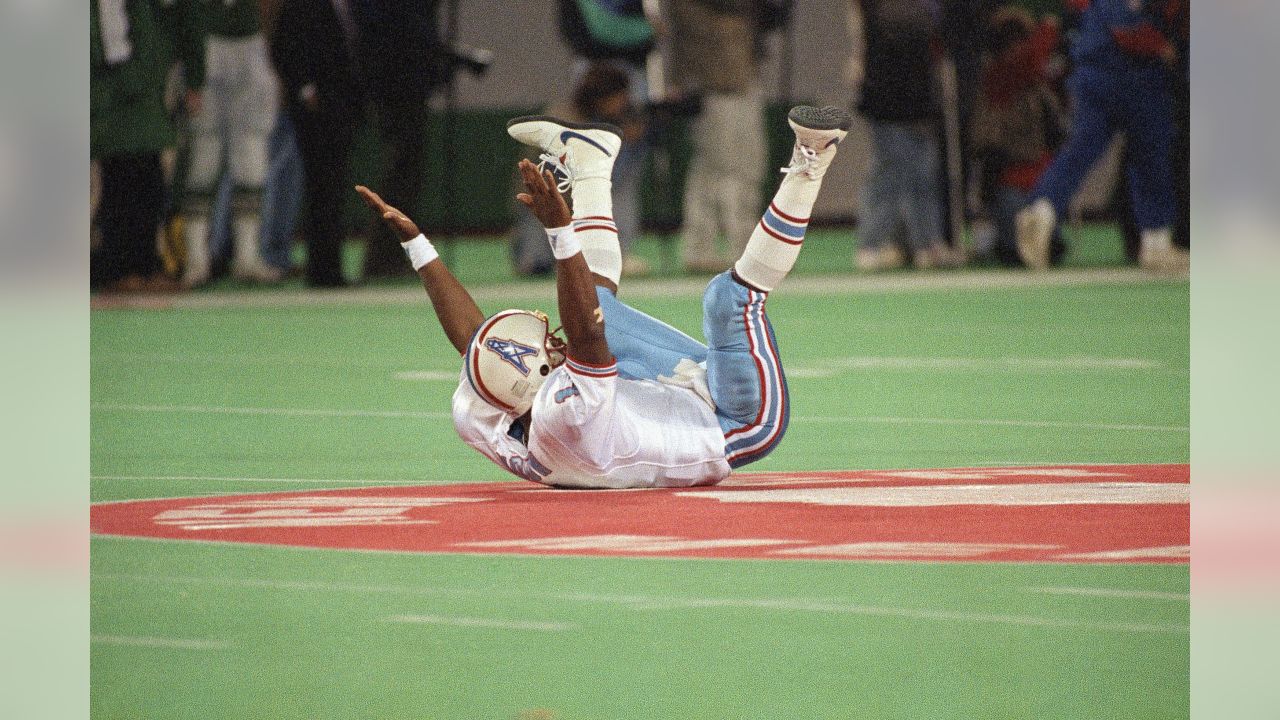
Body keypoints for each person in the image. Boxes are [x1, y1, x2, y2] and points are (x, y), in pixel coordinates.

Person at [355, 105, 850, 488]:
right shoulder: (569, 417)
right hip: (733, 420)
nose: (553, 338)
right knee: (725, 300)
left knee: (595, 306)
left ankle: (590, 160)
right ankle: (815, 157)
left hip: (663, 397)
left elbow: (475, 345)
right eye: (550, 350)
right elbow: (586, 329)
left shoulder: (486, 407)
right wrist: (559, 230)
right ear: (546, 380)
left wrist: (418, 246)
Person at [1015, 0, 1188, 273]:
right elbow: (1126, 23)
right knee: (1150, 157)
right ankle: (1156, 241)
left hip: (1097, 67)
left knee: (1082, 150)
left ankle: (1043, 207)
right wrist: (1162, 46)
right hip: (1132, 72)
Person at [91, 0, 205, 293]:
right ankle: (120, 270)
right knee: (121, 187)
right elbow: (106, 40)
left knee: (148, 186)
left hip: (145, 100)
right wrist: (127, 80)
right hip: (116, 100)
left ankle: (144, 266)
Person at [851, 0, 964, 271]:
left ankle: (928, 245)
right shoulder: (887, 12)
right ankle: (871, 245)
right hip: (891, 106)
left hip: (918, 106)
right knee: (888, 175)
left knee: (923, 178)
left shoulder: (924, 10)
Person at [179, 0, 280, 287]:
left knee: (251, 160)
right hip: (208, 48)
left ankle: (247, 256)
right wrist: (191, 72)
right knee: (204, 162)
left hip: (250, 46)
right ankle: (196, 260)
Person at [669, 0, 770, 275]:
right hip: (716, 85)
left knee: (736, 168)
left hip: (737, 80)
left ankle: (729, 248)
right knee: (725, 170)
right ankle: (716, 249)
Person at [269, 0, 363, 288]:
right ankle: (321, 270)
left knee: (332, 193)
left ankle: (329, 268)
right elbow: (284, 48)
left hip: (340, 109)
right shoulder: (304, 5)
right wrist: (305, 88)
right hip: (316, 112)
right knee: (321, 191)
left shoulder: (343, 8)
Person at [969, 7, 1067, 266]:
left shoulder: (1040, 86)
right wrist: (1049, 24)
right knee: (1015, 248)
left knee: (1052, 244)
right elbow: (984, 144)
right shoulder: (995, 80)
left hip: (1040, 176)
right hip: (1007, 178)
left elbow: (1058, 133)